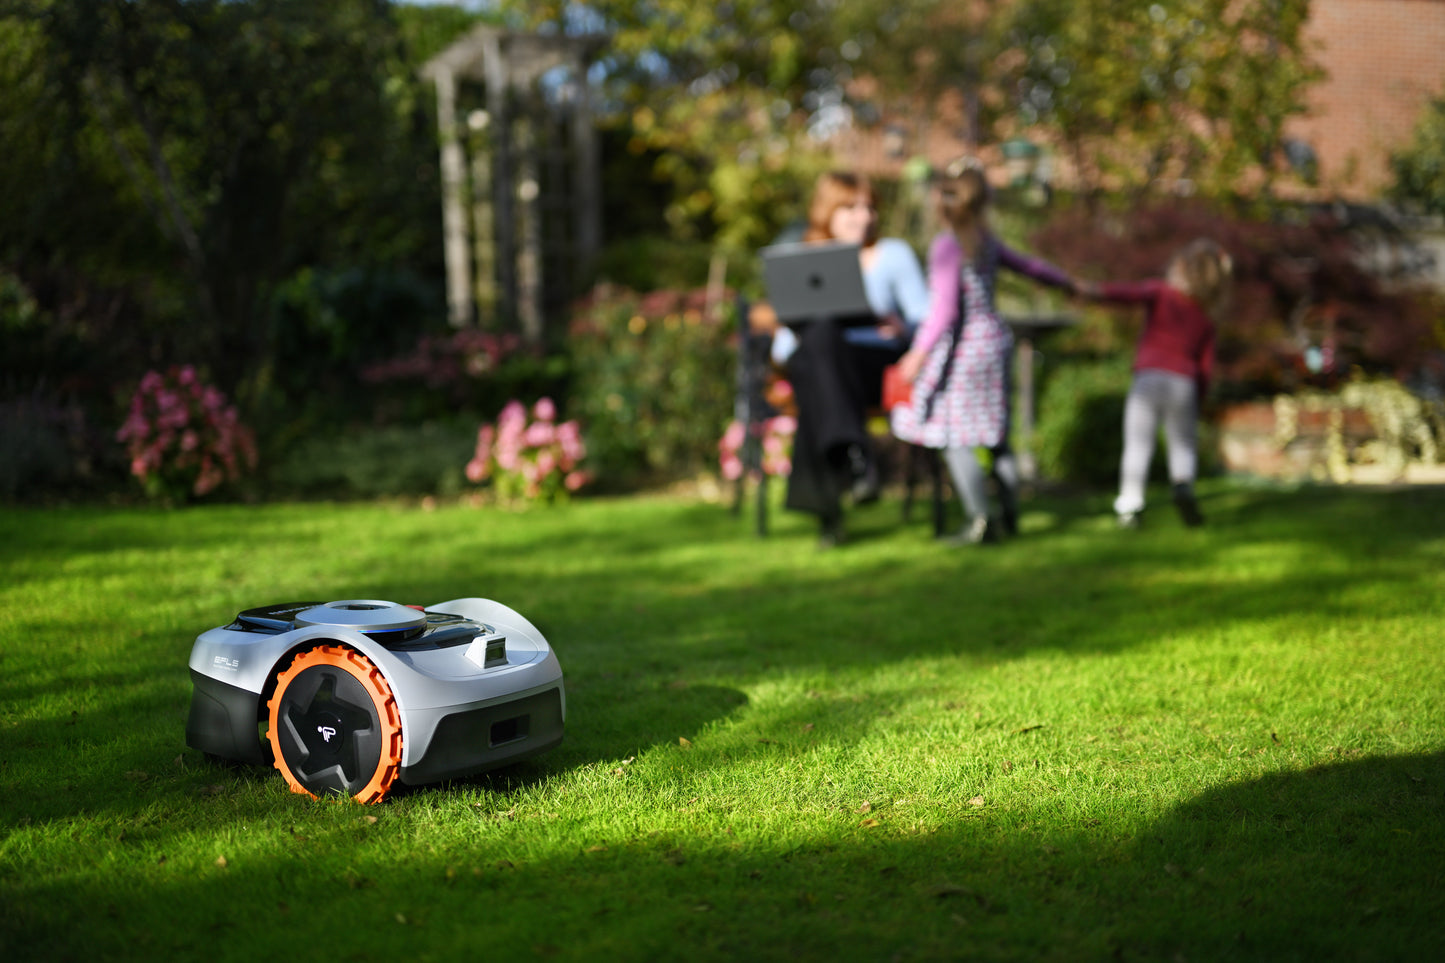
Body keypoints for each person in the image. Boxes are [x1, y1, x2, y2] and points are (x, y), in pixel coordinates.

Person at [890, 160, 1077, 544]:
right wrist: (1067, 283)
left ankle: (981, 520)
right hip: (995, 342)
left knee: (954, 435)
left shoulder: (948, 246)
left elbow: (943, 311)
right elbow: (1030, 267)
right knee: (996, 436)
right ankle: (1009, 519)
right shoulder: (985, 241)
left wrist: (917, 355)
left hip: (964, 352)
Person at [751, 171, 929, 546]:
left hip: (873, 366)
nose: (864, 217)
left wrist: (900, 327)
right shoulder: (804, 260)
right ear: (828, 211)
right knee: (821, 339)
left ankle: (829, 515)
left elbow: (926, 321)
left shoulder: (892, 254)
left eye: (869, 207)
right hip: (820, 367)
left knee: (819, 368)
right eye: (851, 207)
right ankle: (855, 456)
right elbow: (784, 350)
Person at [1080, 238, 1232, 529]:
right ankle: (1183, 486)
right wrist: (1198, 399)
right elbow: (1206, 367)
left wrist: (1092, 291)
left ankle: (1130, 505)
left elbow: (1127, 294)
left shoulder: (1161, 292)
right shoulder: (1205, 318)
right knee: (1183, 444)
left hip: (1148, 378)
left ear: (1181, 269)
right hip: (1184, 383)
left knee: (1138, 444)